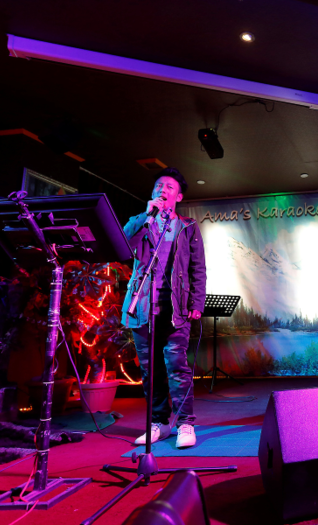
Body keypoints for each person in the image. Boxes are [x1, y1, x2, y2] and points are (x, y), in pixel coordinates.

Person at [121, 167, 206, 448]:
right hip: (142, 306)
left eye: (169, 186)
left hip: (176, 309)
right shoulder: (140, 221)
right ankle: (158, 422)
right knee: (150, 371)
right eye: (158, 185)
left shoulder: (189, 227)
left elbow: (197, 269)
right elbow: (122, 248)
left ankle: (185, 424)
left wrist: (196, 303)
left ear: (178, 196)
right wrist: (146, 216)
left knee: (177, 368)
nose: (162, 189)